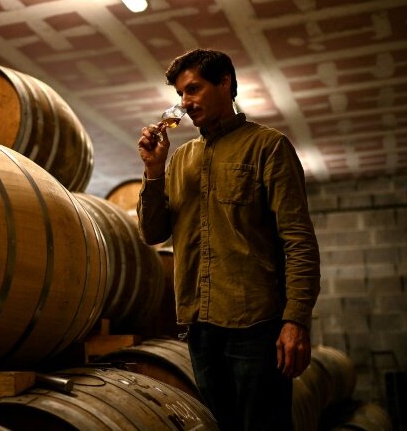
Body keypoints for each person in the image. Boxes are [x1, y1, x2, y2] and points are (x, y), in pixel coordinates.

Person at [136, 49, 321, 431]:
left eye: (193, 90)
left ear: (225, 83)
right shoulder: (182, 157)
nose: (185, 104)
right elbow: (153, 233)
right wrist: (154, 172)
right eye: (181, 95)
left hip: (255, 326)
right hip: (199, 327)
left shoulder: (268, 146)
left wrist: (296, 320)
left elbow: (298, 240)